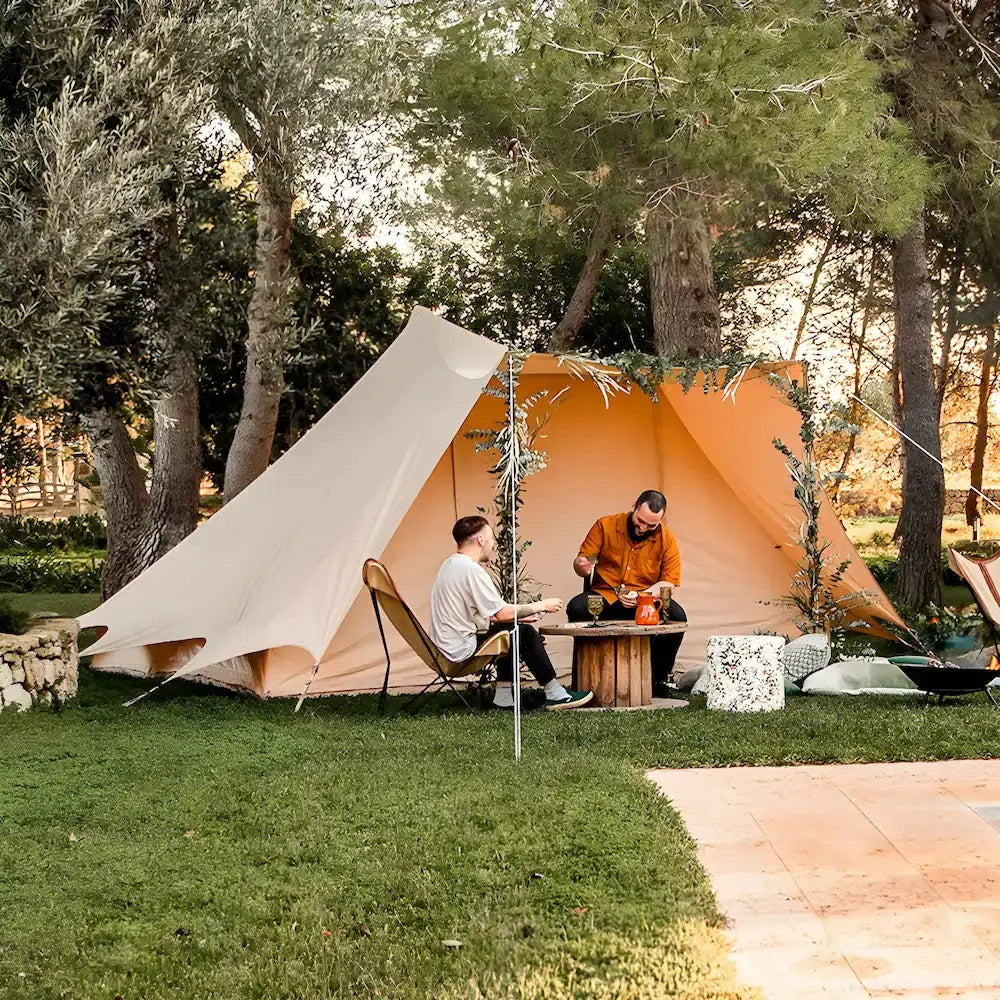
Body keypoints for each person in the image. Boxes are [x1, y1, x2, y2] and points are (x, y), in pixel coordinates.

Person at [430, 515, 593, 711]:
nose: (493, 545)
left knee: (508, 629)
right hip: (459, 652)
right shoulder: (470, 570)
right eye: (491, 538)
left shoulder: (450, 565)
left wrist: (521, 615)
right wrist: (541, 605)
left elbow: (485, 613)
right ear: (481, 540)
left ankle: (504, 698)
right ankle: (555, 694)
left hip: (445, 648)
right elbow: (500, 613)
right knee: (523, 633)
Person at [567, 490, 686, 695]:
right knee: (577, 608)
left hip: (644, 600)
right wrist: (581, 565)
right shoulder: (605, 525)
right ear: (634, 506)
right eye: (641, 521)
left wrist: (643, 596)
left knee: (677, 617)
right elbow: (583, 564)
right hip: (606, 594)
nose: (643, 528)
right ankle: (585, 678)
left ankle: (655, 681)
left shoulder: (667, 538)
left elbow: (669, 582)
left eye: (651, 525)